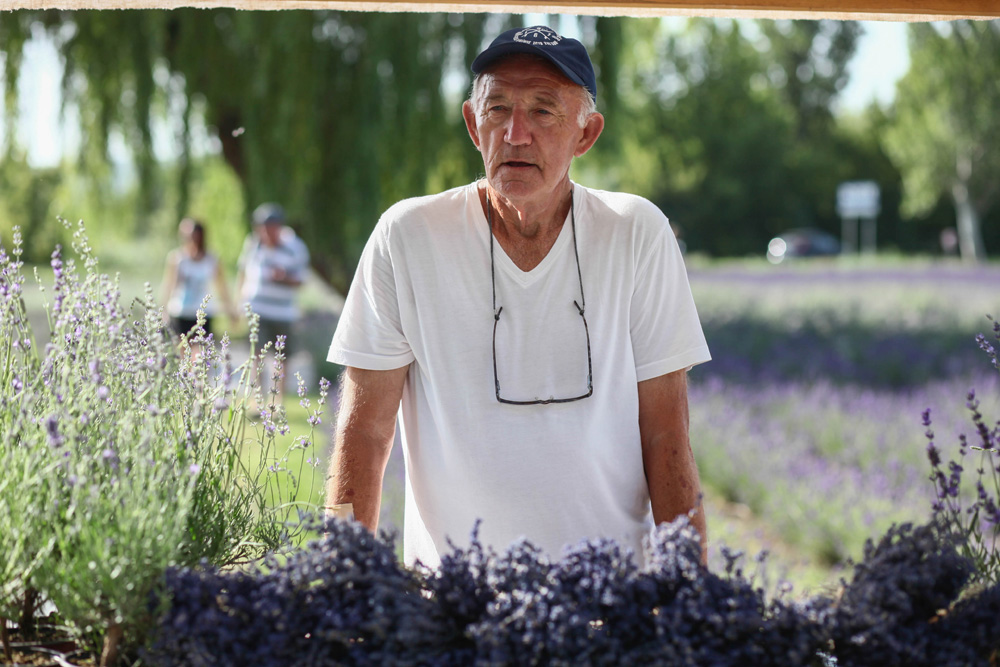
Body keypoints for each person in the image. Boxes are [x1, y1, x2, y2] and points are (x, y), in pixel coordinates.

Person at [326, 25, 711, 569]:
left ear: (587, 133)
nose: (515, 133)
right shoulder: (408, 236)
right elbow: (363, 432)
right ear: (471, 123)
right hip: (452, 606)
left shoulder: (635, 232)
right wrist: (339, 583)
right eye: (498, 108)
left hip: (607, 601)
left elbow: (666, 432)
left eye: (544, 111)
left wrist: (690, 598)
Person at [236, 203, 310, 404]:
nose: (265, 231)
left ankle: (276, 401)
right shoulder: (253, 244)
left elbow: (302, 280)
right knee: (256, 355)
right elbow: (242, 273)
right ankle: (257, 400)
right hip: (257, 308)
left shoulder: (295, 247)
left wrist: (284, 277)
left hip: (283, 311)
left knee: (281, 357)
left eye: (270, 227)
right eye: (261, 227)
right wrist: (239, 303)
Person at [161, 217, 237, 348]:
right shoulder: (177, 258)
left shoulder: (212, 259)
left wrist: (230, 310)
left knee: (201, 353)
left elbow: (221, 287)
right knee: (182, 352)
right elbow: (169, 285)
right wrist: (163, 311)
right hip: (181, 311)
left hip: (203, 313)